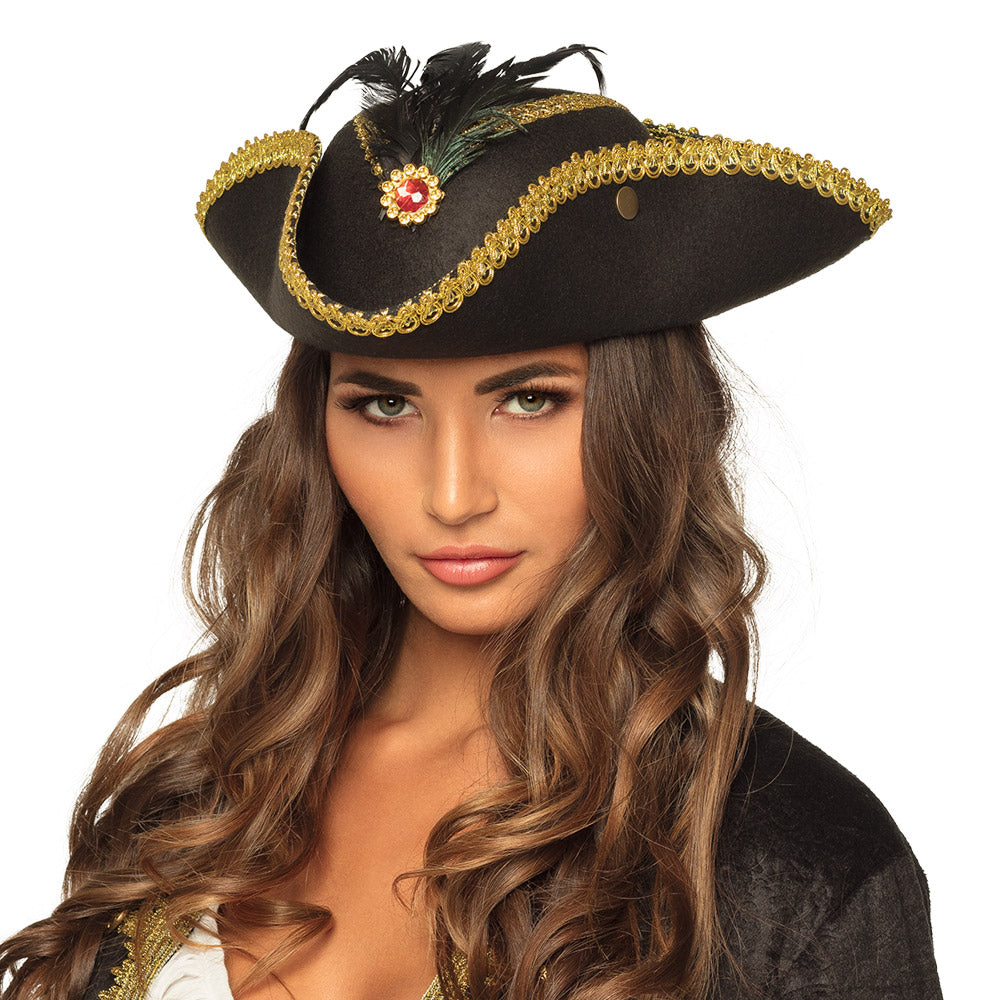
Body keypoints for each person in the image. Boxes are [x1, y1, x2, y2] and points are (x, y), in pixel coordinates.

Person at [0, 42, 942, 1000]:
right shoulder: (197, 799)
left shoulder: (792, 868)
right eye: (385, 405)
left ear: (645, 421)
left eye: (529, 401)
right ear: (316, 425)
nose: (452, 497)